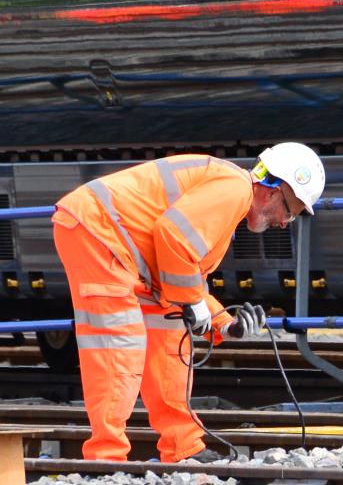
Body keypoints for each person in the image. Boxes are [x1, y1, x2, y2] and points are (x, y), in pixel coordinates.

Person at [50, 143, 325, 462]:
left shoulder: (228, 199)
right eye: (290, 211)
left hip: (124, 246)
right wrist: (191, 301)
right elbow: (174, 237)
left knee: (170, 342)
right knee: (119, 346)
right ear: (272, 190)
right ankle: (106, 459)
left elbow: (185, 273)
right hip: (100, 233)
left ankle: (182, 447)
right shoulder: (235, 189)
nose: (285, 222)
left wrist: (226, 324)